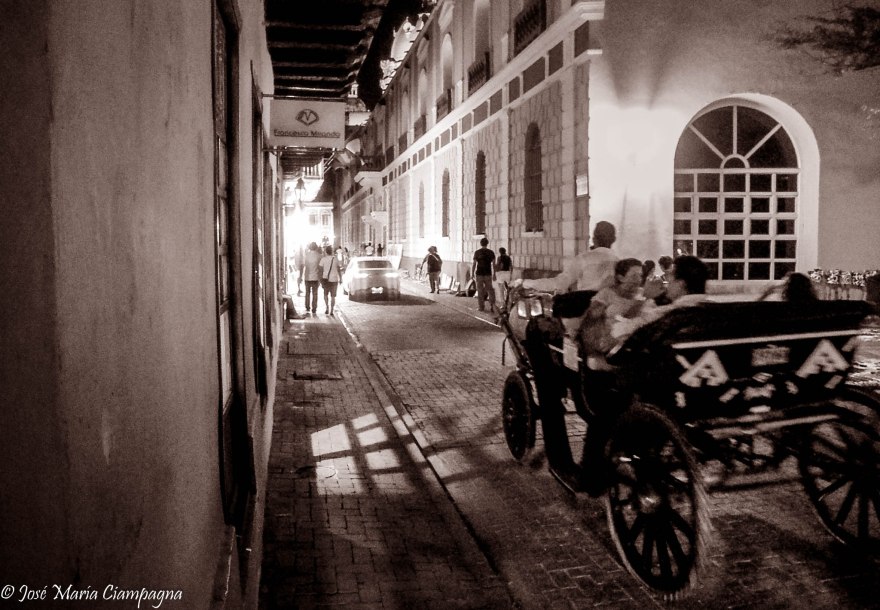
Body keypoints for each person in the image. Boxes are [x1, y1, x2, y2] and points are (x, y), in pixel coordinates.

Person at [472, 237, 496, 313]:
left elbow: (474, 264)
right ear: (487, 243)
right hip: (488, 273)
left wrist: (472, 273)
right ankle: (492, 305)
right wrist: (494, 274)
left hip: (479, 273)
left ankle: (481, 307)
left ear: (480, 244)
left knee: (480, 290)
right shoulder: (491, 252)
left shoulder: (477, 252)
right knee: (490, 290)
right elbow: (494, 265)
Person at [320, 245, 342, 315]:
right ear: (332, 252)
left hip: (326, 279)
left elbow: (320, 270)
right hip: (334, 280)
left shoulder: (323, 259)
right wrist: (340, 278)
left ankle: (327, 307)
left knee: (325, 294)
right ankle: (332, 310)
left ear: (326, 252)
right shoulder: (335, 259)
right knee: (333, 296)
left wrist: (320, 279)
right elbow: (338, 269)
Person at [302, 242, 323, 314]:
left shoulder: (306, 255)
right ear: (316, 247)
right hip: (315, 277)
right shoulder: (319, 256)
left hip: (307, 276)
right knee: (315, 293)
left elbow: (304, 265)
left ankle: (307, 306)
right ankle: (314, 308)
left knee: (307, 293)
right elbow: (320, 268)